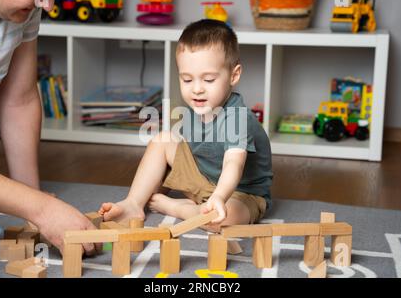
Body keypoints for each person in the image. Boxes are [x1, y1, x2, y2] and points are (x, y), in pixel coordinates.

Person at [0, 0, 101, 265]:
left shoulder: (23, 11)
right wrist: (41, 208)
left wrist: (29, 201)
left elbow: (19, 99)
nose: (48, 4)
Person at [99, 19, 273, 231]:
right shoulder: (196, 106)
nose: (197, 89)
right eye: (187, 80)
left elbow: (232, 165)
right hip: (203, 181)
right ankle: (133, 204)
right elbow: (187, 153)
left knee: (224, 219)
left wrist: (218, 196)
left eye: (208, 80)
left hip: (241, 193)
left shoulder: (237, 117)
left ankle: (180, 209)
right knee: (162, 140)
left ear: (234, 75)